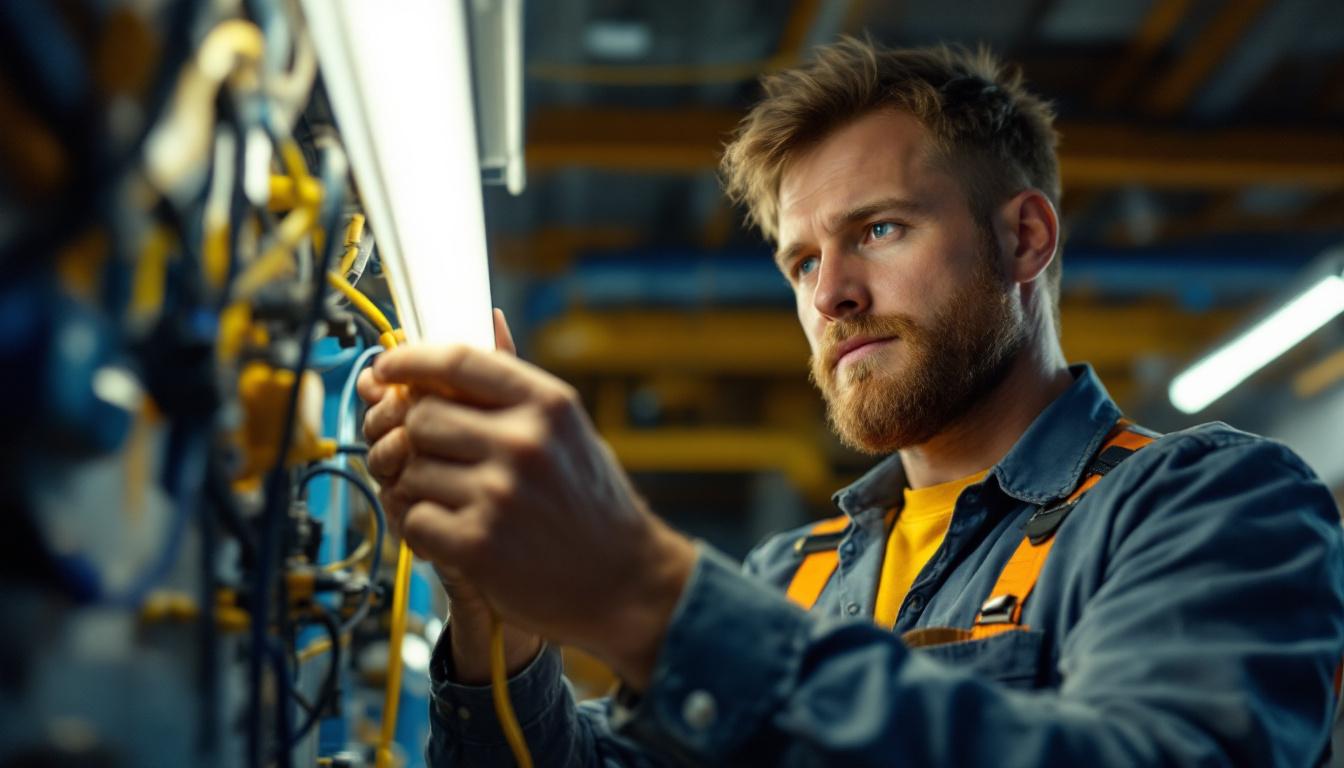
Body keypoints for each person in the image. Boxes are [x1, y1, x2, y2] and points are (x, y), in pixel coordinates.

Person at [357, 40, 1344, 766]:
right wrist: (495, 615)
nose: (830, 295)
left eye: (878, 229)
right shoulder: (792, 575)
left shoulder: (1207, 505)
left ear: (1026, 241)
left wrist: (645, 590)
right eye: (801, 260)